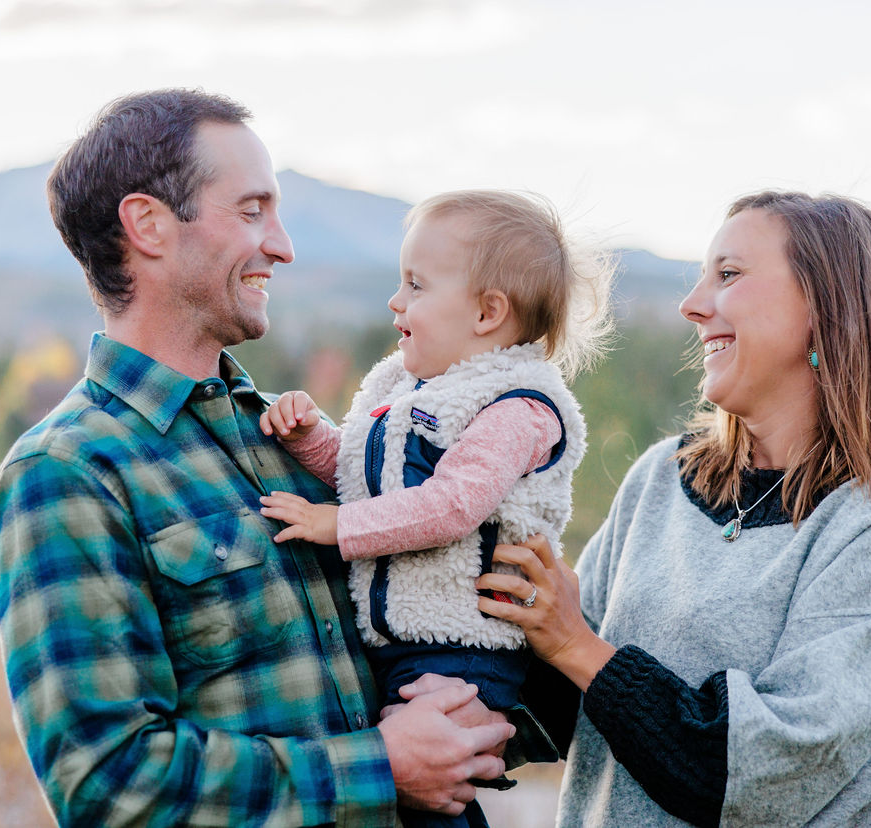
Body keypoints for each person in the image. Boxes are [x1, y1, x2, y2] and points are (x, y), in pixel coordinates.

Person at [0, 89, 525, 827]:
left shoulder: (298, 441)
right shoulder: (64, 476)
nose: (283, 245)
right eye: (251, 210)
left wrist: (523, 678)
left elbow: (432, 653)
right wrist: (380, 767)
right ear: (148, 225)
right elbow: (107, 782)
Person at [478, 191, 871, 826]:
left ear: (825, 307)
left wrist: (573, 642)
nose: (692, 305)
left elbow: (755, 773)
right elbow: (568, 699)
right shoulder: (660, 477)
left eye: (729, 274)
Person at [256, 190, 615, 827]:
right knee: (408, 790)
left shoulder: (517, 408)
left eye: (416, 285)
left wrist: (334, 527)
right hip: (402, 642)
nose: (396, 301)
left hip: (464, 647)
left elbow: (450, 507)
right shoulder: (406, 387)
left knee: (435, 790)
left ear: (487, 312)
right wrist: (308, 438)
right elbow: (366, 481)